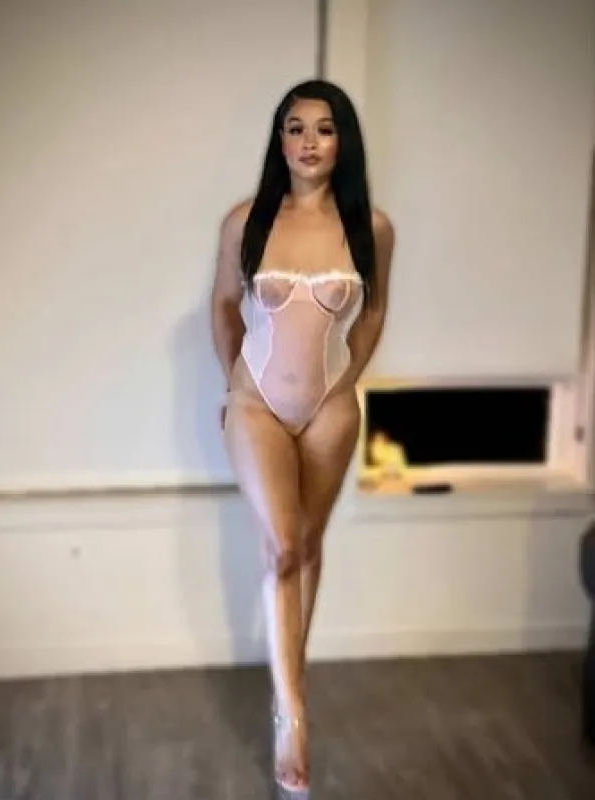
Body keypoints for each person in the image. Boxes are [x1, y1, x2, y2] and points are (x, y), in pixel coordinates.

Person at [210, 78, 394, 793]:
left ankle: (293, 686)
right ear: (279, 141)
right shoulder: (246, 219)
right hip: (257, 405)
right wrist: (231, 385)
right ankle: (292, 715)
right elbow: (225, 305)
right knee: (283, 547)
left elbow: (373, 313)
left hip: (331, 411)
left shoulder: (370, 226)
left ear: (343, 141)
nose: (309, 141)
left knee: (309, 548)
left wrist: (348, 382)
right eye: (295, 127)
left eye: (324, 127)